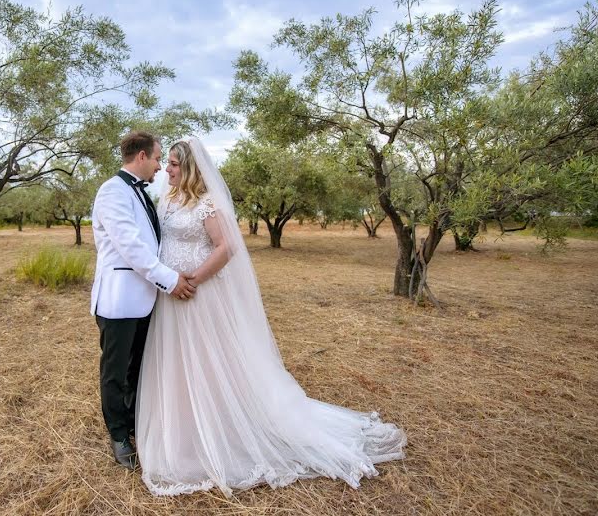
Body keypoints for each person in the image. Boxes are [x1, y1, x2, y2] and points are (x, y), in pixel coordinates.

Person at [135, 137, 407, 496]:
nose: (166, 169)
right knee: (178, 361)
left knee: (210, 360)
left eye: (173, 164)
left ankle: (220, 423)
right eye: (166, 162)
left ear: (190, 168)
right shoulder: (166, 199)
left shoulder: (208, 202)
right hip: (171, 297)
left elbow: (226, 247)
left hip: (199, 296)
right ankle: (183, 423)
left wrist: (193, 280)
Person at [90, 131, 196, 470]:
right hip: (120, 300)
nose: (160, 166)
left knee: (138, 368)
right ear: (140, 157)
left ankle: (136, 423)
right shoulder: (112, 192)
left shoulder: (140, 193)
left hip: (145, 300)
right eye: (156, 158)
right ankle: (119, 435)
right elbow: (132, 248)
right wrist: (170, 280)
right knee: (115, 372)